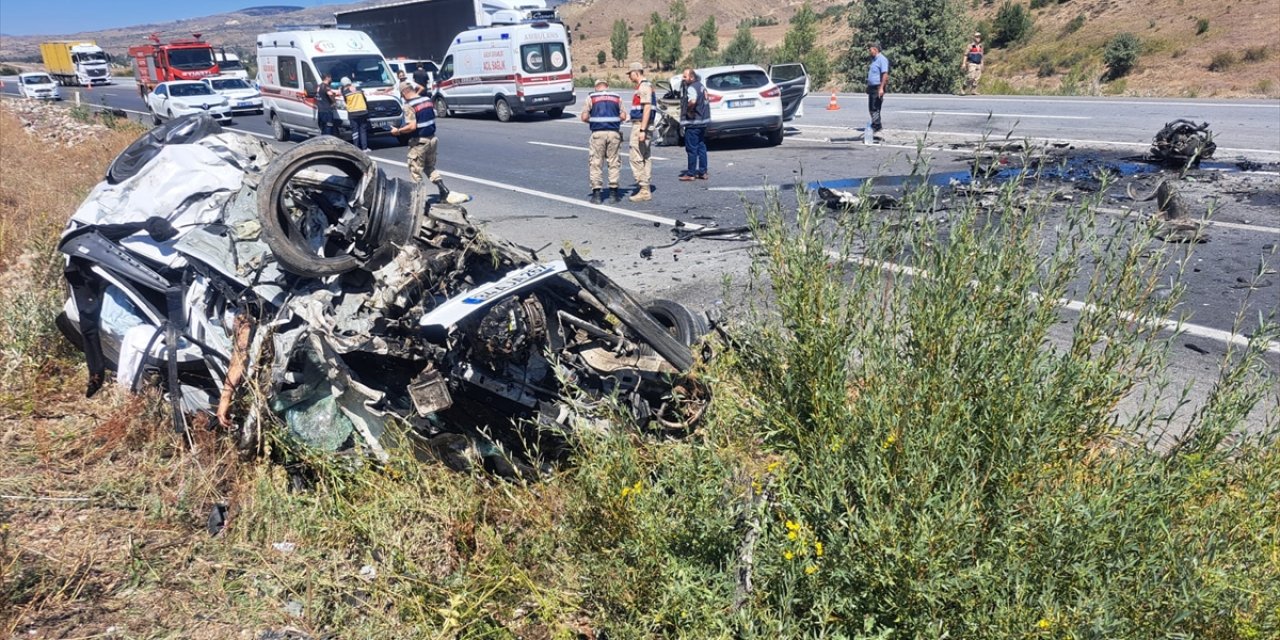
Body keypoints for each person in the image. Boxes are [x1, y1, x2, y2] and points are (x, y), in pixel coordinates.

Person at [391, 83, 464, 204]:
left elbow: (412, 126)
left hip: (419, 142)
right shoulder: (426, 100)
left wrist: (397, 131)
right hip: (432, 139)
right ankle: (443, 190)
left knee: (415, 171)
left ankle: (419, 201)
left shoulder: (409, 105)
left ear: (403, 93)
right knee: (429, 167)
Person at [580, 77, 628, 204]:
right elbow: (624, 116)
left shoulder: (591, 98)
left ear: (596, 87)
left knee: (596, 162)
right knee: (614, 162)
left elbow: (584, 117)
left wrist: (594, 120)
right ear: (607, 86)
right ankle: (613, 194)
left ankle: (596, 195)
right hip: (614, 134)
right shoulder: (617, 97)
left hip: (597, 134)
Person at [625, 62, 656, 201]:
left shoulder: (643, 87)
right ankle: (646, 184)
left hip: (641, 126)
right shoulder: (647, 86)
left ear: (636, 72)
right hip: (643, 123)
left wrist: (642, 129)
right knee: (645, 156)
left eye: (630, 73)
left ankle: (644, 189)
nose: (629, 77)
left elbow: (647, 108)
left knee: (635, 156)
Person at [678, 67, 709, 181]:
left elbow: (692, 101)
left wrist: (688, 111)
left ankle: (690, 173)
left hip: (693, 123)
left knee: (691, 149)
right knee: (701, 147)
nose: (683, 79)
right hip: (702, 122)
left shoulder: (692, 88)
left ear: (691, 77)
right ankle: (703, 172)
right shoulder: (701, 86)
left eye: (685, 76)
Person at [865, 42, 889, 140]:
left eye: (870, 50)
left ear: (875, 49)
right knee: (871, 108)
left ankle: (877, 126)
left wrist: (881, 88)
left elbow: (885, 74)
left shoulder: (882, 59)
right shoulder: (874, 60)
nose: (869, 52)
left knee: (875, 108)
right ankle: (876, 124)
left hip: (878, 87)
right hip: (872, 87)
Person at [340, 76, 371, 150]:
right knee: (363, 130)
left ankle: (356, 147)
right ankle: (365, 148)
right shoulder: (359, 89)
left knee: (355, 131)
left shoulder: (345, 92)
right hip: (363, 111)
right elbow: (365, 99)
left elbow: (345, 101)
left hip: (352, 113)